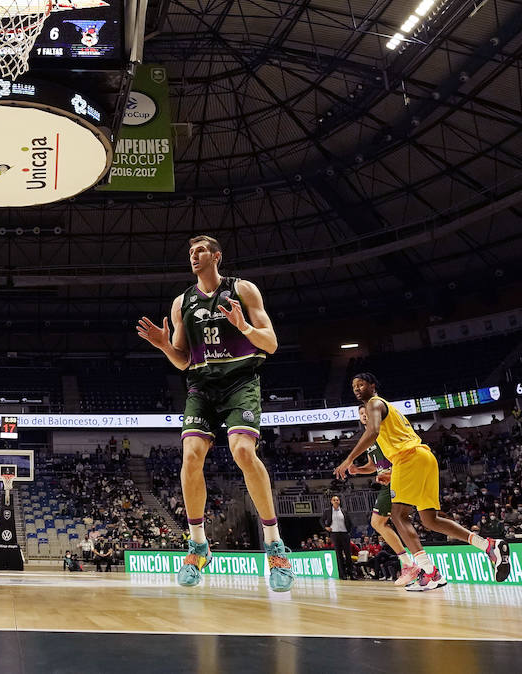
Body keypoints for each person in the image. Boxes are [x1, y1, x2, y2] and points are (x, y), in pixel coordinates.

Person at [135, 234, 294, 592]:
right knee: (190, 456)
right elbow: (181, 359)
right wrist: (162, 345)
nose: (194, 255)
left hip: (240, 381)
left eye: (201, 250)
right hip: (202, 385)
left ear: (217, 256)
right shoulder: (182, 302)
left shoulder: (244, 290)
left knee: (242, 451)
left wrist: (242, 326)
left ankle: (274, 545)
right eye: (190, 251)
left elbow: (270, 344)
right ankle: (197, 545)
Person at [335, 373, 510, 591]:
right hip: (423, 458)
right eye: (354, 386)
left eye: (361, 384)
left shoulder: (374, 403)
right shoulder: (389, 409)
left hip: (408, 459)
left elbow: (373, 431)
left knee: (398, 516)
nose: (357, 388)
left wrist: (348, 459)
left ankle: (429, 573)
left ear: (372, 385)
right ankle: (488, 545)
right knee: (430, 520)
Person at [346, 406, 416, 585]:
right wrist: (358, 470)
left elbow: (401, 458)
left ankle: (411, 565)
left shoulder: (384, 433)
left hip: (398, 479)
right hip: (388, 482)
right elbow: (374, 465)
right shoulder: (369, 440)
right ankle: (415, 566)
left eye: (366, 413)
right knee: (389, 522)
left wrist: (391, 473)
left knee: (384, 522)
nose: (363, 416)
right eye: (361, 414)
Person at [320, 495, 357, 580]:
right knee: (339, 555)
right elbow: (321, 520)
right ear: (331, 502)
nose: (336, 501)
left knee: (348, 554)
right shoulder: (328, 511)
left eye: (337, 500)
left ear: (339, 501)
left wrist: (349, 532)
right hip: (335, 534)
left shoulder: (344, 511)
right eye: (334, 500)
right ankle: (342, 574)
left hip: (344, 534)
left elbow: (350, 522)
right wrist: (325, 527)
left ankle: (352, 574)